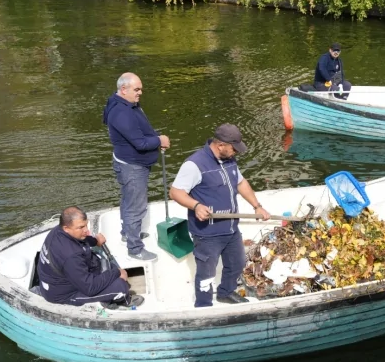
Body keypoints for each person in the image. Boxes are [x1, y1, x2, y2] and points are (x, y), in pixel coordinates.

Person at [169, 124, 271, 308]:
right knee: (206, 274)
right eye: (234, 148)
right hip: (207, 233)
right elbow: (175, 192)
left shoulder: (229, 160)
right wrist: (196, 205)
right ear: (221, 145)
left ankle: (225, 292)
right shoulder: (194, 165)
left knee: (237, 263)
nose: (236, 152)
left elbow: (241, 183)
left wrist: (257, 206)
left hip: (230, 228)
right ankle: (203, 305)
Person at [102, 72, 171, 261]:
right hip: (132, 167)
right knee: (136, 206)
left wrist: (155, 137)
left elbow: (138, 132)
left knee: (128, 199)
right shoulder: (121, 112)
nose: (140, 92)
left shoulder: (123, 103)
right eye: (137, 89)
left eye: (140, 89)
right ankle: (135, 248)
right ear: (123, 89)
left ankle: (127, 233)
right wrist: (159, 140)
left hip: (127, 161)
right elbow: (139, 143)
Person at [36, 207, 141, 308]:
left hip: (64, 278)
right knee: (120, 287)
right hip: (63, 293)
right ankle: (124, 301)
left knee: (105, 266)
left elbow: (83, 238)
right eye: (81, 227)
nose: (86, 230)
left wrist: (95, 241)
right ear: (66, 228)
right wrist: (117, 272)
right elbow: (90, 288)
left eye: (86, 225)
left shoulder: (58, 231)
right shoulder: (71, 256)